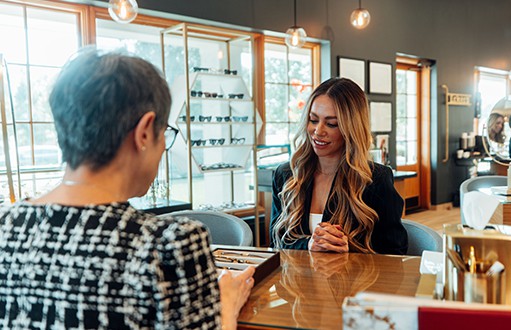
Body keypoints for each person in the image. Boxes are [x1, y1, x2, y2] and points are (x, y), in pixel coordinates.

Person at [0, 48, 254, 329]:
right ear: (145, 132)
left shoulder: (6, 226)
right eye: (164, 133)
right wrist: (225, 308)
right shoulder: (168, 244)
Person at [270, 77, 407, 255]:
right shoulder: (287, 175)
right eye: (313, 120)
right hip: (298, 281)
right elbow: (276, 242)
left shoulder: (375, 179)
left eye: (331, 124)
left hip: (355, 281)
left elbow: (395, 251)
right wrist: (309, 244)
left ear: (351, 128)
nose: (318, 131)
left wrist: (349, 250)